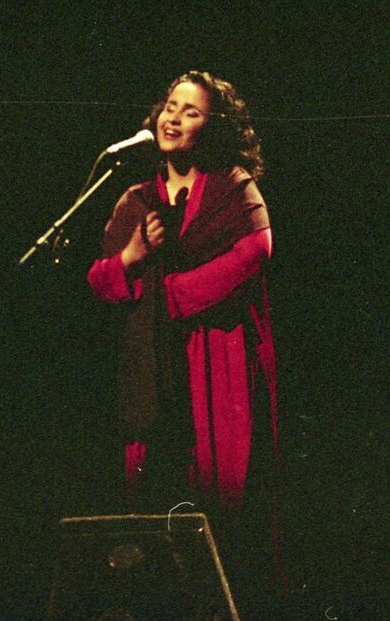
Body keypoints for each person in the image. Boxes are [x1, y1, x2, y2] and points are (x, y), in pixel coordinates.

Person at [87, 71, 278, 509]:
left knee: (220, 493)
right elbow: (99, 279)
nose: (173, 118)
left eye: (190, 112)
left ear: (213, 127)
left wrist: (175, 294)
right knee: (154, 495)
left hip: (218, 352)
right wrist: (131, 257)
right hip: (154, 359)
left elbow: (256, 250)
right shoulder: (136, 198)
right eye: (170, 107)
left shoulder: (232, 184)